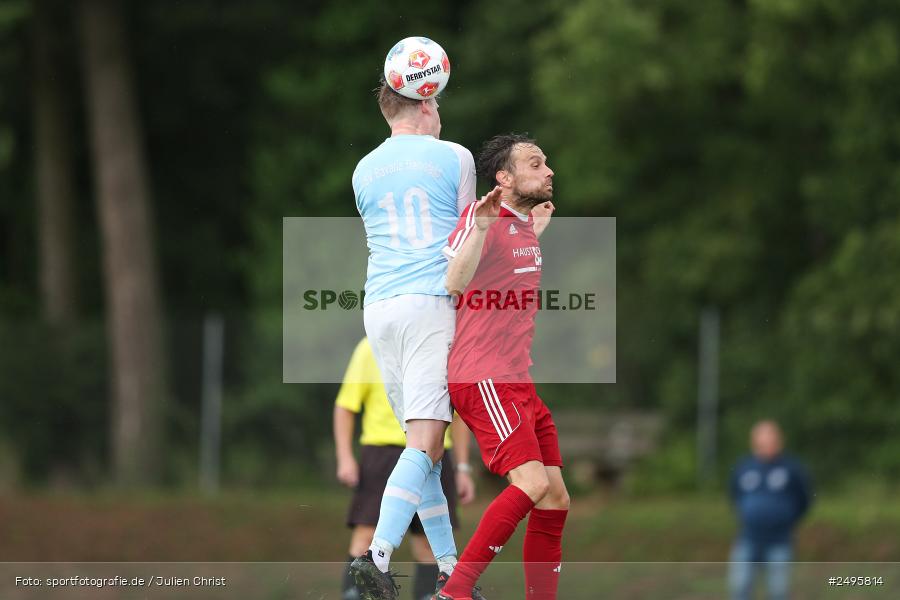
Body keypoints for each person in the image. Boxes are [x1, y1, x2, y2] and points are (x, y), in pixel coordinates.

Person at [349, 64, 498, 600]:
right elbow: (465, 240)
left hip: (378, 309)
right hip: (429, 304)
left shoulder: (363, 169)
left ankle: (450, 573)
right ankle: (377, 556)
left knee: (424, 448)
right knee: (429, 440)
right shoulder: (454, 156)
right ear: (428, 103)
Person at [434, 134, 569, 600]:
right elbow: (454, 280)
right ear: (504, 178)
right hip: (483, 375)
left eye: (546, 162)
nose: (548, 170)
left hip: (516, 379)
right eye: (536, 163)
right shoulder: (483, 216)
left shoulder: (521, 224)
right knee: (531, 484)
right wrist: (483, 228)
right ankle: (454, 592)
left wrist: (533, 228)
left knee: (555, 496)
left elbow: (505, 269)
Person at [335, 337, 477, 600]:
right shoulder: (371, 346)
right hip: (383, 452)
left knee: (428, 544)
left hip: (434, 452)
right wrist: (344, 456)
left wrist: (463, 467)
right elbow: (346, 405)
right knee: (366, 535)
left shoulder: (440, 345)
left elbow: (457, 414)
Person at [729, 420, 812, 600]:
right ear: (754, 442)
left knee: (778, 591)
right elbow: (734, 496)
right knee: (741, 587)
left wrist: (787, 518)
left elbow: (804, 500)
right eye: (763, 440)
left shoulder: (792, 468)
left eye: (771, 439)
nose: (767, 444)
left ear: (779, 441)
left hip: (780, 540)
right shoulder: (744, 467)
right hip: (748, 538)